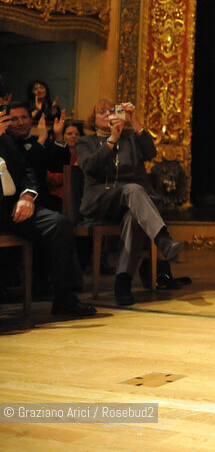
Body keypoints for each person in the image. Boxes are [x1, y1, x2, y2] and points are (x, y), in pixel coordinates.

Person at [76, 99, 183, 306]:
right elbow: (90, 168)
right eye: (102, 112)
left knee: (134, 217)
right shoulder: (85, 142)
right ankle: (163, 240)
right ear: (93, 119)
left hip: (133, 203)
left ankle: (122, 281)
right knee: (132, 189)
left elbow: (151, 153)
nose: (108, 114)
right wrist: (112, 138)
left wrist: (135, 122)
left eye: (111, 111)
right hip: (101, 201)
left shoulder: (131, 138)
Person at [0, 107, 96, 317]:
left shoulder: (5, 141)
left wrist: (27, 196)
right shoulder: (5, 137)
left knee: (60, 223)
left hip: (15, 208)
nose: (17, 122)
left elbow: (27, 170)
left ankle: (65, 298)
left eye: (23, 117)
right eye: (12, 118)